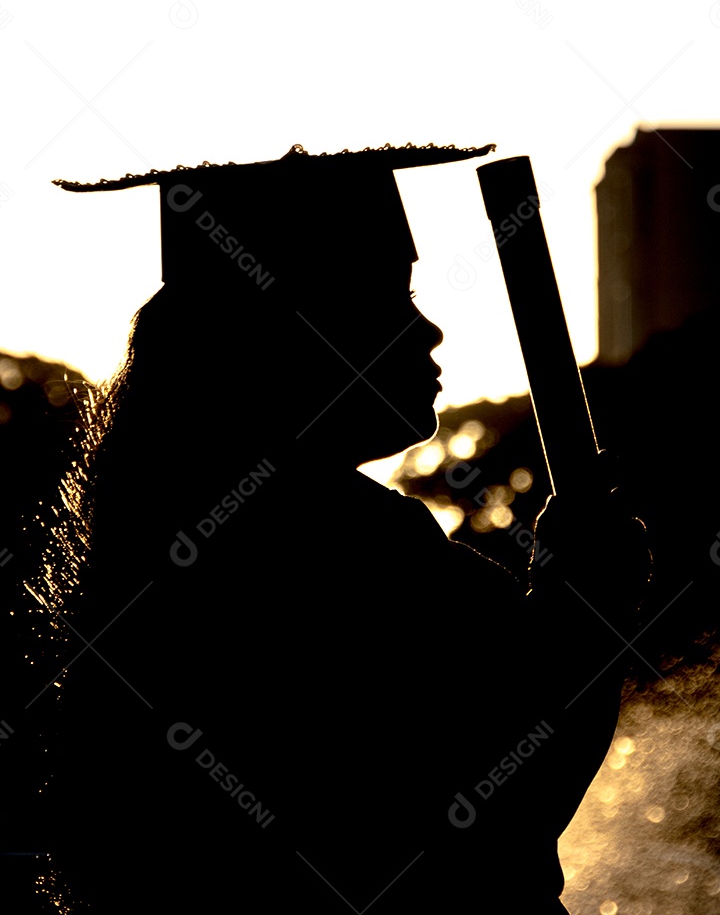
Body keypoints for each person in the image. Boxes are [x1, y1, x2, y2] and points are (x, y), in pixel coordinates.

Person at [25, 141, 650, 912]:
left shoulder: (172, 542)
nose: (432, 333)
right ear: (284, 334)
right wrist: (588, 604)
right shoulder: (339, 552)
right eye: (390, 296)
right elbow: (490, 815)